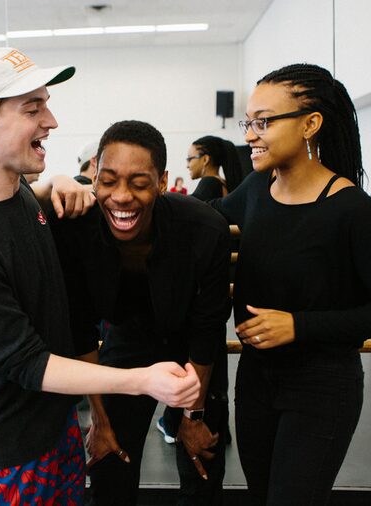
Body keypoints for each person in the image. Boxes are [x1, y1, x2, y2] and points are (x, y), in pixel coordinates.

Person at [0, 47, 200, 505]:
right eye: (33, 109)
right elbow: (29, 364)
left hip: (55, 435)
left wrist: (55, 183)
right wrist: (141, 379)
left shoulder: (18, 195)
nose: (50, 121)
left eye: (46, 104)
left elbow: (20, 202)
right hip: (2, 458)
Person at [211, 64, 371, 505]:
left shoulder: (352, 210)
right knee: (263, 495)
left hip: (322, 385)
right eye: (250, 122)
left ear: (310, 123)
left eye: (263, 121)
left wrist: (298, 326)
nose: (250, 134)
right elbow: (196, 220)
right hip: (255, 380)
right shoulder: (255, 189)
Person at [52, 120, 232, 505]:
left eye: (138, 182)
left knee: (201, 463)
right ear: (94, 177)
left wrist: (192, 416)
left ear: (163, 181)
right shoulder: (77, 230)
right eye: (109, 180)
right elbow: (80, 327)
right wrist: (98, 419)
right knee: (109, 463)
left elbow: (208, 324)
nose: (121, 196)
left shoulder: (204, 228)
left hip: (193, 347)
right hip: (127, 339)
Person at [187, 135, 249, 201]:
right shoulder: (223, 183)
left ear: (205, 159)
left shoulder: (209, 182)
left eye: (189, 159)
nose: (187, 165)